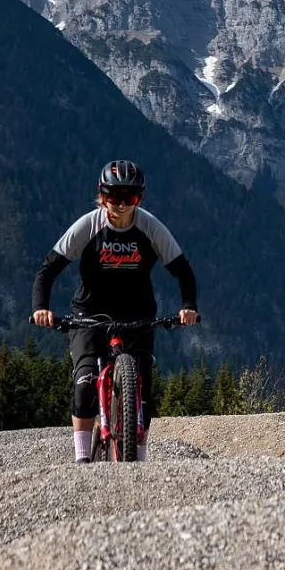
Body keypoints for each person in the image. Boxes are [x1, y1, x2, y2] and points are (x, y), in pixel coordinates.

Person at [32, 160, 198, 463]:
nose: (121, 205)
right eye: (113, 197)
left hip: (138, 315)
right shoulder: (89, 226)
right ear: (101, 194)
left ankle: (140, 463)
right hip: (89, 314)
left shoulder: (150, 227)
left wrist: (188, 306)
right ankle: (82, 460)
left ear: (140, 199)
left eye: (130, 198)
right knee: (84, 386)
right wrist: (40, 308)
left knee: (143, 395)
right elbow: (48, 270)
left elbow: (183, 271)